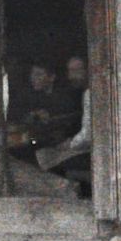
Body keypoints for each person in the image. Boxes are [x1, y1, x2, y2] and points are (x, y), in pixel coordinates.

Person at [37, 54, 92, 185]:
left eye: (76, 71)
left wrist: (70, 144)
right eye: (69, 71)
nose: (71, 76)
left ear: (89, 69)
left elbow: (88, 135)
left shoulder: (90, 94)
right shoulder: (85, 93)